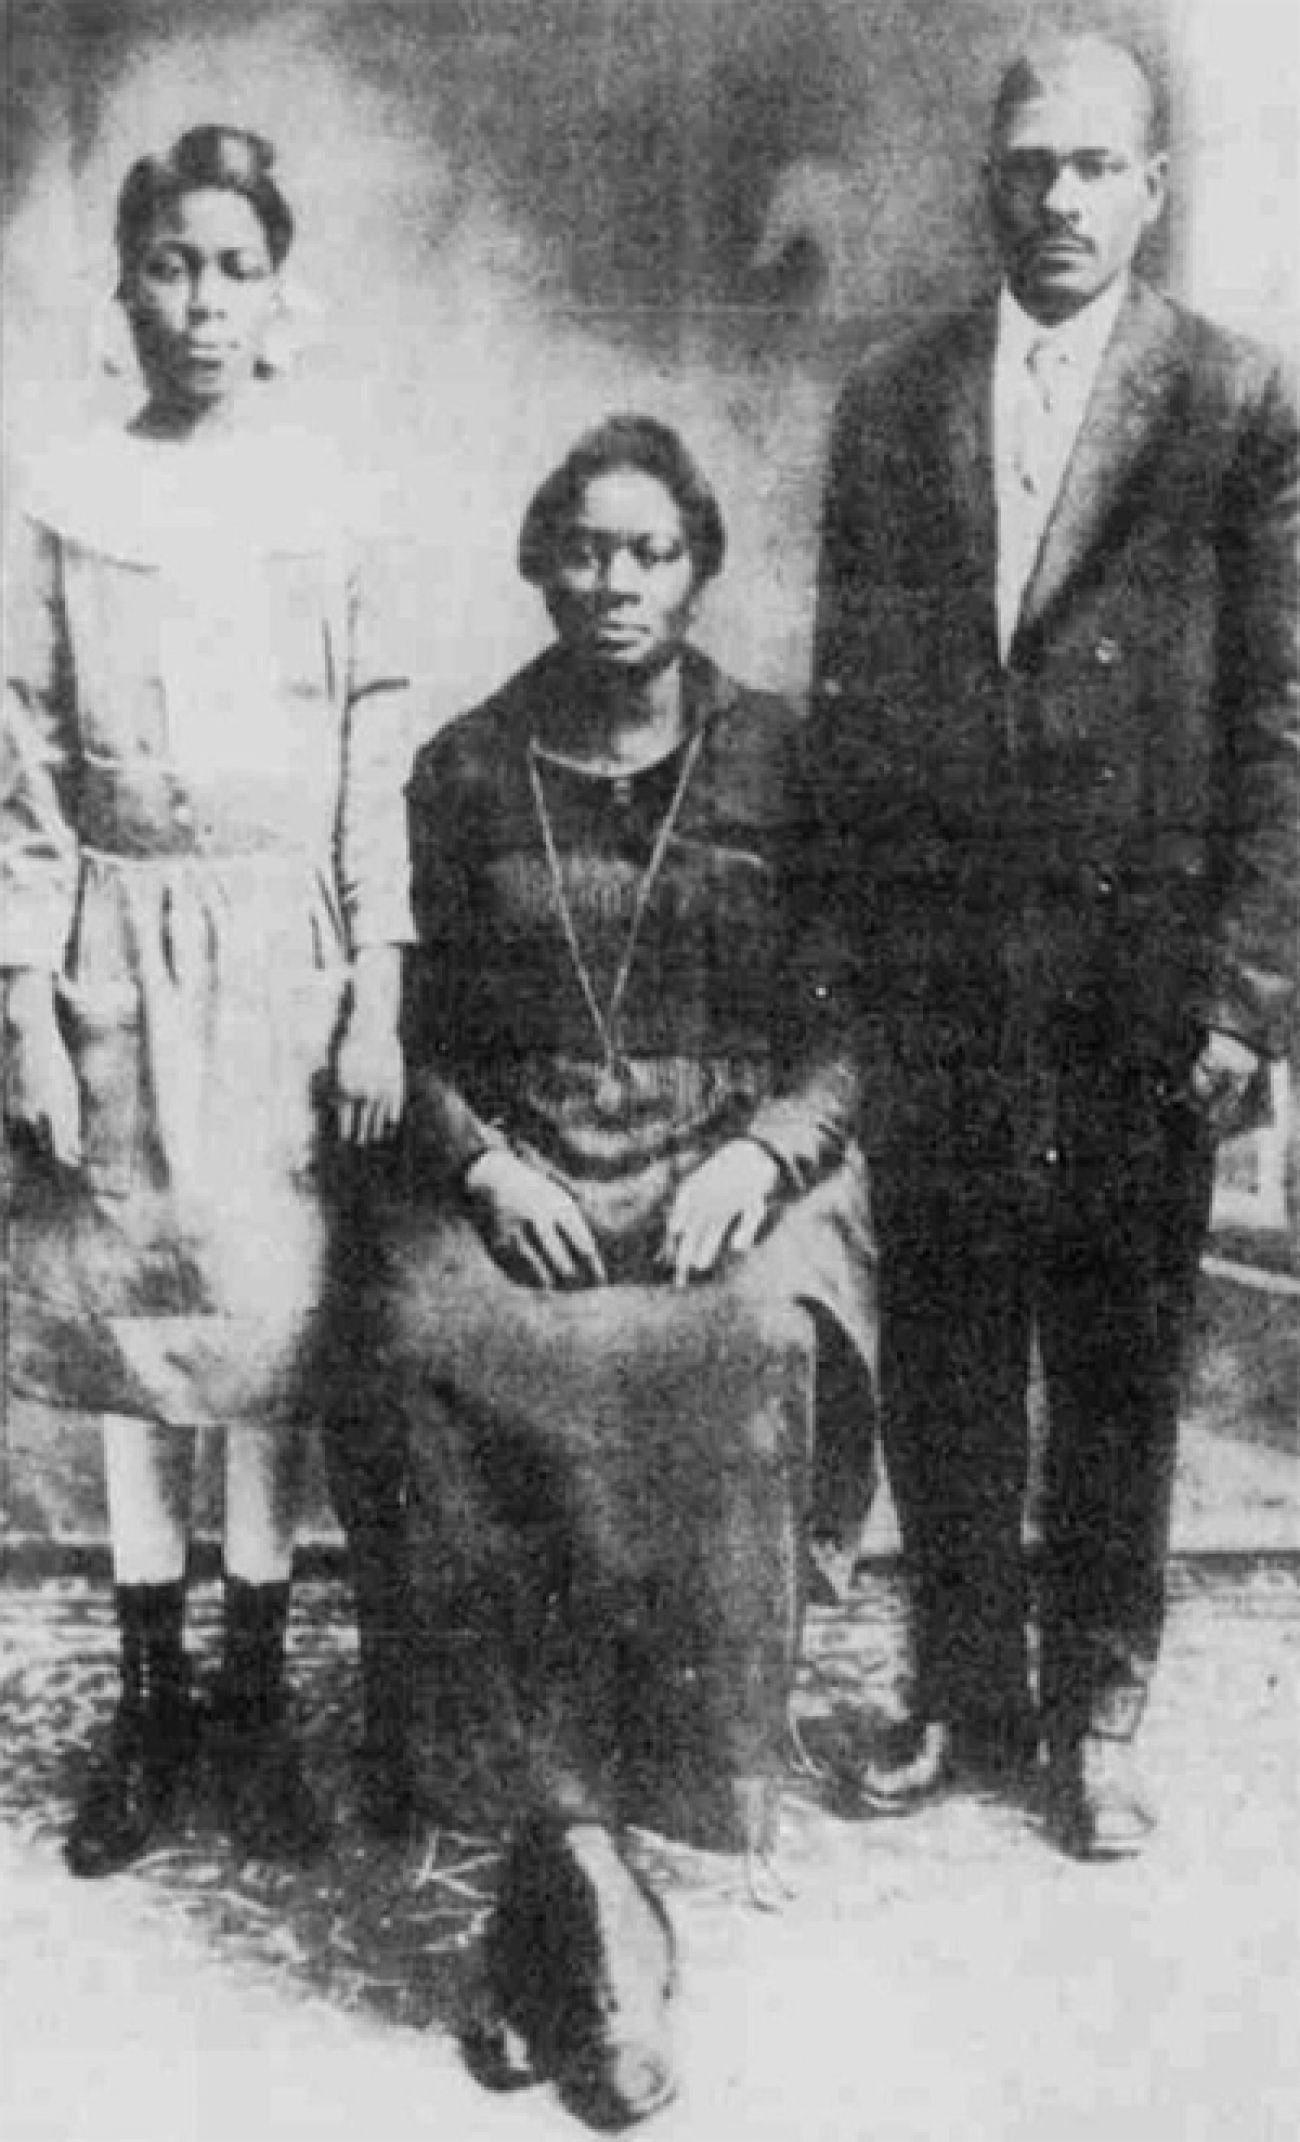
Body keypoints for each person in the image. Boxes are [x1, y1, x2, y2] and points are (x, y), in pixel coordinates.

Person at [328, 414, 875, 2124]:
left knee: (741, 1347)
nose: (615, 582)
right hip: (520, 1165)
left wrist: (761, 1155)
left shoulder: (782, 756)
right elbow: (392, 1028)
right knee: (422, 1336)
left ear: (698, 565)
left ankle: (558, 1908)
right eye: (584, 549)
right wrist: (480, 1155)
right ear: (538, 563)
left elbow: (859, 1029)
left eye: (650, 551)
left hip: (720, 1167)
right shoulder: (466, 765)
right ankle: (587, 1880)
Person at [811, 34, 1298, 1858]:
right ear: (987, 183)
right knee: (943, 1332)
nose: (1062, 199)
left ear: (1150, 188)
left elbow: (1285, 717)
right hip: (941, 972)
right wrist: (852, 981)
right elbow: (853, 710)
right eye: (1031, 166)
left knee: (1117, 1348)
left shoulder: (1236, 402)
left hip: (1139, 977)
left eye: (1098, 168)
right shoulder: (893, 402)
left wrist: (1248, 992)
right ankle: (961, 1688)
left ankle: (1099, 1704)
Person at [1, 125, 413, 1876]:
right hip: (112, 942)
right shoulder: (60, 494)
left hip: (286, 953)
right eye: (171, 265)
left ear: (280, 287)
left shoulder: (333, 494)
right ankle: (150, 1703)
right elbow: (17, 761)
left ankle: (254, 1704)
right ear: (125, 284)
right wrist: (25, 998)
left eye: (235, 266)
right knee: (131, 1316)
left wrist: (375, 989)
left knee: (266, 1328)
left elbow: (369, 759)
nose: (201, 302)